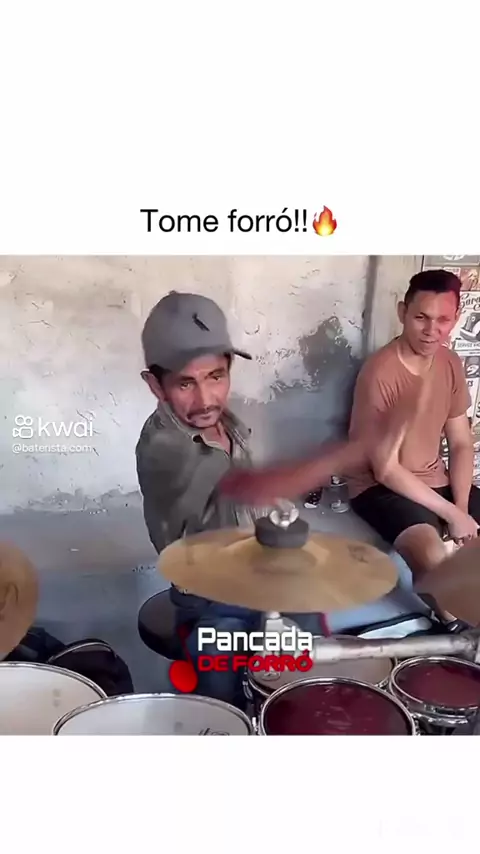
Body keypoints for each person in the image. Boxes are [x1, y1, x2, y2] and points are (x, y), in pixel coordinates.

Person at [136, 291, 362, 708]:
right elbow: (250, 485)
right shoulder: (163, 445)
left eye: (215, 377)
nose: (205, 399)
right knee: (226, 704)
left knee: (311, 667)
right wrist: (352, 450)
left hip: (255, 572)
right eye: (185, 383)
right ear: (155, 385)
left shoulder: (229, 422)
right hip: (206, 596)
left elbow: (250, 504)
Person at [345, 269, 480, 624]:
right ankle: (456, 627)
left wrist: (460, 508)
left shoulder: (449, 363)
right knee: (434, 559)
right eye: (421, 317)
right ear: (402, 312)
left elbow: (461, 442)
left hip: (434, 480)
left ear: (456, 319)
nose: (431, 330)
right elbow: (385, 469)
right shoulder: (380, 372)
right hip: (379, 487)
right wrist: (452, 515)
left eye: (443, 320)